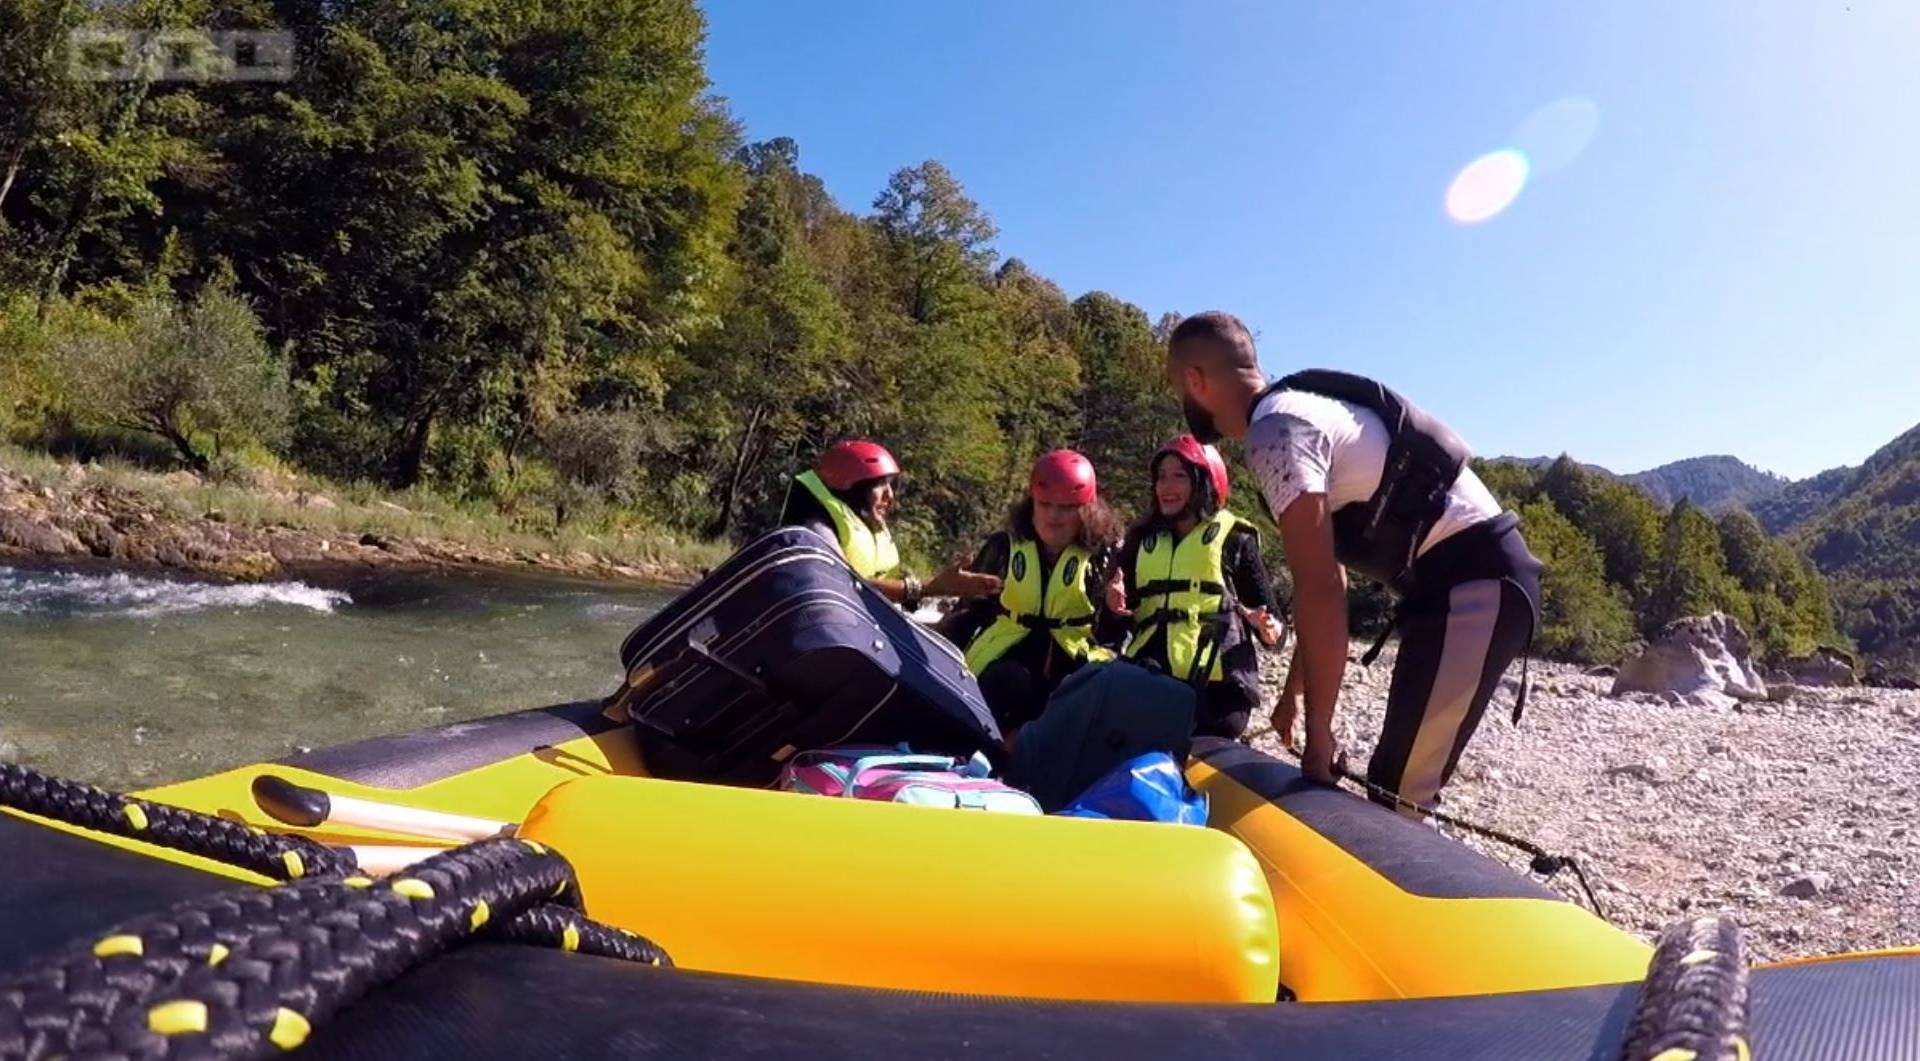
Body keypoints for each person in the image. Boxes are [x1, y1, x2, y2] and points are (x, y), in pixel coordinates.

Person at [1164, 310, 1542, 816]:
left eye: (1178, 387)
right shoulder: (1295, 413)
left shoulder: (1275, 432)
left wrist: (1320, 733)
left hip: (1478, 584)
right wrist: (1296, 690)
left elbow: (1319, 588)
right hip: (1451, 587)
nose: (1182, 400)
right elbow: (1331, 573)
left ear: (1195, 380)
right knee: (1393, 777)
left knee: (1402, 789)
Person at [1106, 435, 1283, 741]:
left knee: (1201, 721)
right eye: (1161, 477)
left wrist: (1267, 629)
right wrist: (1111, 609)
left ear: (1204, 483)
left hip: (1217, 684)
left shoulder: (1234, 541)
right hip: (1152, 669)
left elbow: (1277, 633)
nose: (1166, 487)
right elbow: (1110, 633)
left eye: (1179, 476)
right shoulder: (1140, 541)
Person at [952, 450, 1123, 736]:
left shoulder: (1106, 556)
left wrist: (1116, 613)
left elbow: (1115, 635)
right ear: (1032, 504)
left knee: (1079, 691)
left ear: (1087, 510)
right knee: (1009, 680)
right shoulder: (1003, 547)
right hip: (1008, 662)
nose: (1054, 517)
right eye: (1045, 505)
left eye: (1067, 508)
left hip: (1073, 664)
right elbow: (966, 615)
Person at [780, 439, 1001, 608]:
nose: (890, 496)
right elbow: (842, 585)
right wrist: (928, 588)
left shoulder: (861, 525)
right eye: (880, 486)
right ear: (852, 489)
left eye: (891, 486)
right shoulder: (816, 531)